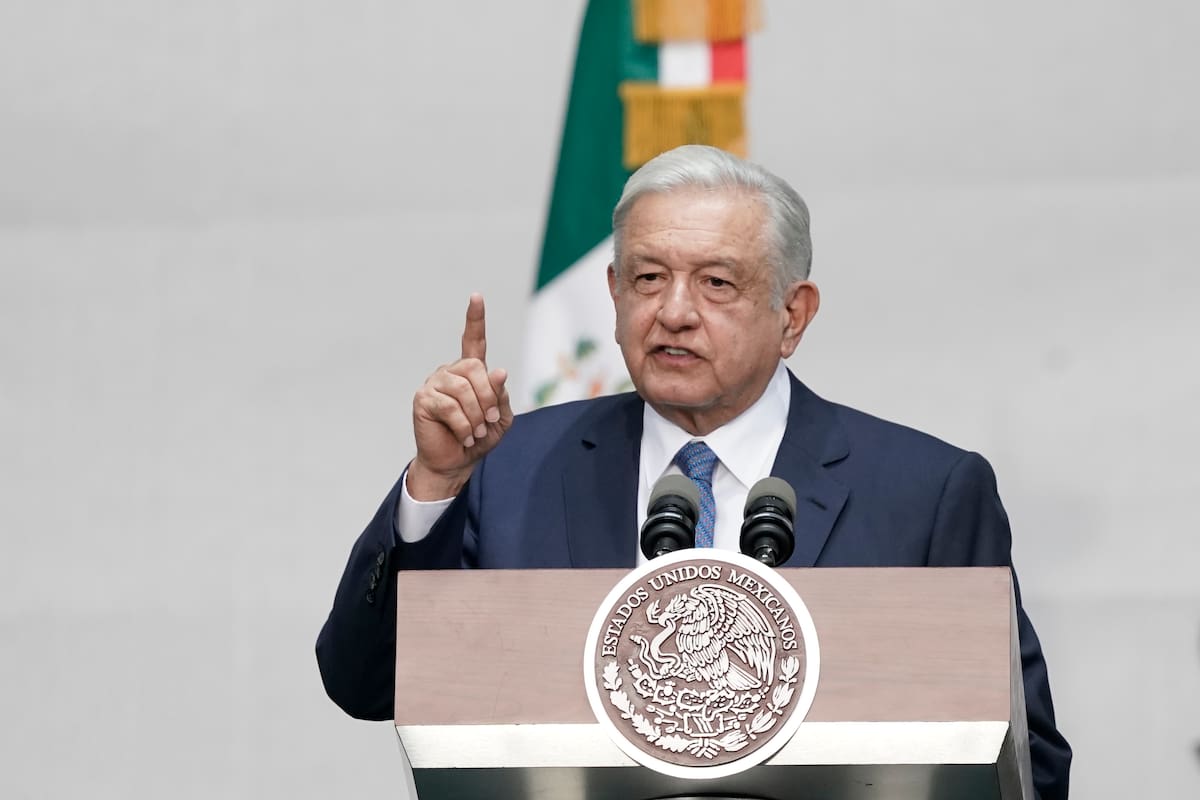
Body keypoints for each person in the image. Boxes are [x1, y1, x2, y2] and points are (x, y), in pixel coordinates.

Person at [316, 145, 1071, 798]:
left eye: (716, 283)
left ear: (793, 314)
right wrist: (436, 485)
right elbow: (364, 684)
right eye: (647, 279)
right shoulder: (507, 467)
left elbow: (1024, 761)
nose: (674, 311)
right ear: (613, 296)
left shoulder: (925, 492)